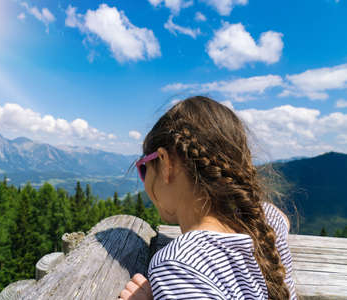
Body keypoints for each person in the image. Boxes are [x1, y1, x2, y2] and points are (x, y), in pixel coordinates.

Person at [118, 96, 297, 300]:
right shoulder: (266, 221)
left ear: (165, 162)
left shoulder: (177, 266)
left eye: (143, 168)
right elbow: (282, 218)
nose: (144, 179)